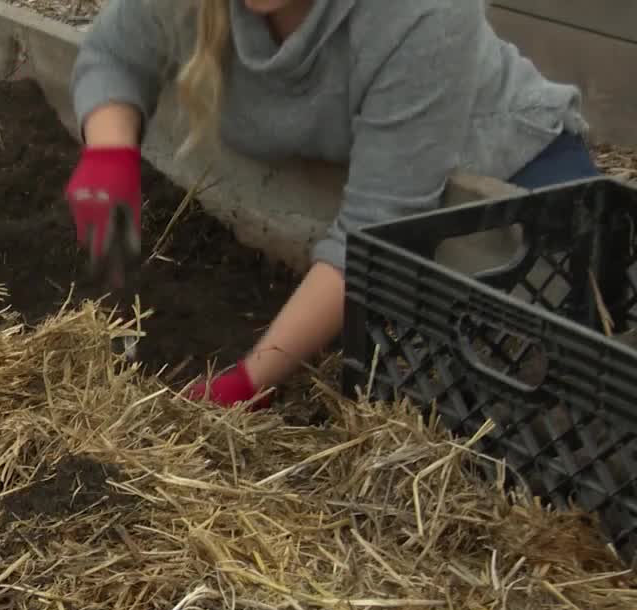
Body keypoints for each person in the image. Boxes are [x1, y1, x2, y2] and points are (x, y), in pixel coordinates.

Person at [63, 0, 602, 410]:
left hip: (505, 186)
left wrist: (249, 380)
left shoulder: (420, 13)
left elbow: (375, 232)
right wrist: (110, 151)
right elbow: (114, 52)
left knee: (555, 391)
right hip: (365, 175)